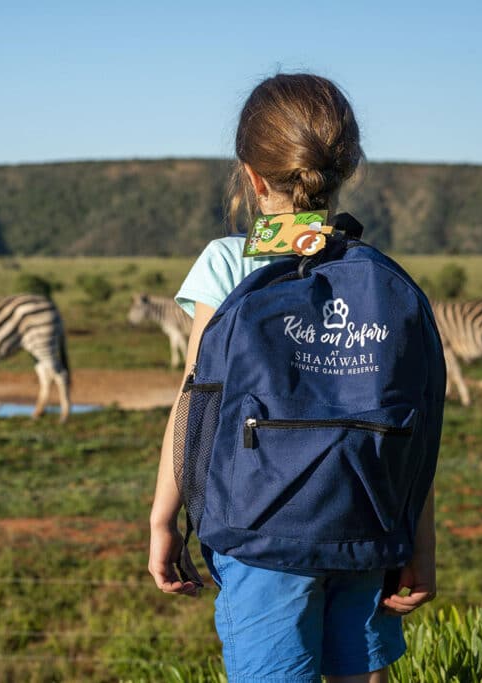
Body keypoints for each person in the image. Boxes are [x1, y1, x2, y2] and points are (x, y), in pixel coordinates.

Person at [148, 73, 437, 683]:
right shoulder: (379, 280)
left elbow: (193, 403)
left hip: (261, 536)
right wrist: (418, 543)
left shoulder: (226, 262)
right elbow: (409, 425)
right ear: (345, 167)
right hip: (365, 528)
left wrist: (162, 519)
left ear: (251, 176)